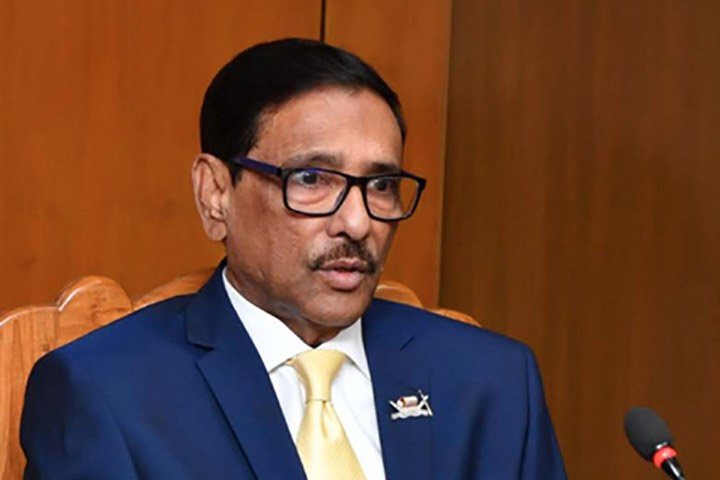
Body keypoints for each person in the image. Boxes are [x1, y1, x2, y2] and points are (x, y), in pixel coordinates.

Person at [20, 38, 566, 479]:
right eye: (310, 179)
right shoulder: (105, 392)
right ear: (215, 193)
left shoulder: (491, 382)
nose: (358, 223)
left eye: (380, 185)